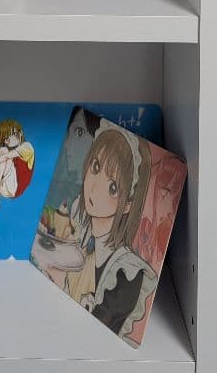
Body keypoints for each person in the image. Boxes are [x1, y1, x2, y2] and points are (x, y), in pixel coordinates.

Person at [33, 126, 157, 342]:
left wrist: (60, 280)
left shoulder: (127, 274)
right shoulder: (75, 224)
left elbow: (95, 335)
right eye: (96, 166)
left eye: (112, 187)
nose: (94, 187)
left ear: (128, 204)